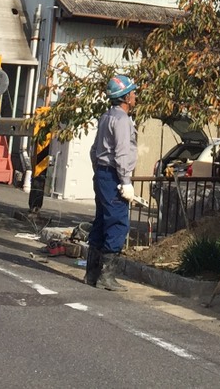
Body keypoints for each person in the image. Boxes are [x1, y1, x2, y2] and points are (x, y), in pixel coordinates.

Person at [86, 73, 138, 289]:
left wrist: (98, 171)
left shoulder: (106, 117)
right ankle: (106, 277)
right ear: (125, 97)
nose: (135, 96)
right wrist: (125, 181)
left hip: (102, 173)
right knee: (117, 222)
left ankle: (92, 274)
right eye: (133, 93)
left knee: (101, 220)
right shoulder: (123, 121)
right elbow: (123, 153)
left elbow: (94, 150)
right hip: (114, 175)